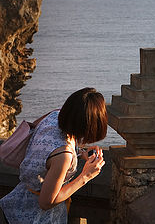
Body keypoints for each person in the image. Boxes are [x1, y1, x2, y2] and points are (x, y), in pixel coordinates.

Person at [0, 87, 108, 224]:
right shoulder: (63, 156)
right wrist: (85, 176)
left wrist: (80, 153)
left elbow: (46, 150)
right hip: (36, 218)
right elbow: (46, 202)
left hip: (16, 202)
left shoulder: (53, 116)